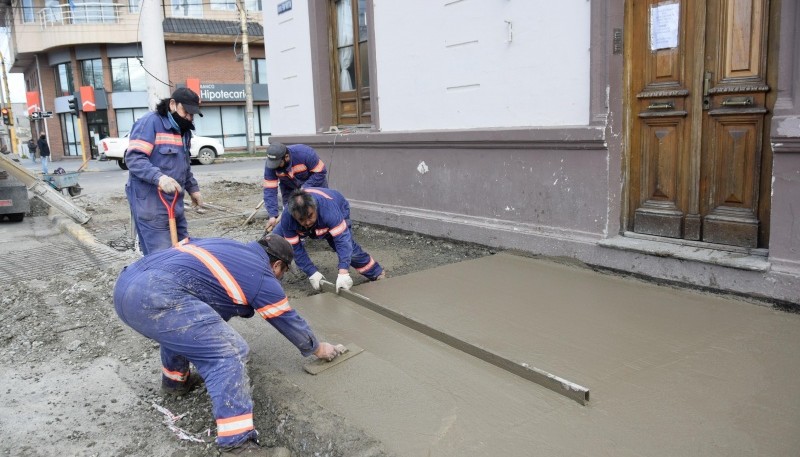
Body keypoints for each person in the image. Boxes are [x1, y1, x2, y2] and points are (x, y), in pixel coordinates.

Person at [113, 234, 346, 456]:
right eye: (283, 272)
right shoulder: (261, 275)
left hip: (127, 285)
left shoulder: (229, 248)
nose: (281, 277)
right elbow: (285, 318)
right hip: (156, 295)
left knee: (183, 327)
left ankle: (175, 382)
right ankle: (238, 445)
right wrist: (318, 348)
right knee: (229, 352)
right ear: (276, 265)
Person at [125, 87, 205, 255]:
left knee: (184, 251)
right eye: (187, 112)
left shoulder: (184, 132)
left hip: (175, 204)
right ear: (173, 104)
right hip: (151, 206)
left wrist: (193, 188)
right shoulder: (150, 123)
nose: (189, 118)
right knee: (162, 257)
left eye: (192, 114)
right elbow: (134, 159)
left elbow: (184, 165)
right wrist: (159, 178)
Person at [274, 188, 385, 292]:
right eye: (302, 219)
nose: (307, 222)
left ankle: (376, 273)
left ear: (315, 208)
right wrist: (311, 272)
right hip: (302, 221)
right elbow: (295, 249)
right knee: (274, 243)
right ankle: (272, 279)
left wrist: (343, 271)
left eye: (310, 216)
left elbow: (343, 241)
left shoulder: (329, 210)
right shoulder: (287, 218)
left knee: (348, 250)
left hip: (338, 206)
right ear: (294, 216)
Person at [263, 142, 328, 232]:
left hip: (315, 184)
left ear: (286, 157)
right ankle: (299, 234)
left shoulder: (305, 154)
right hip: (289, 188)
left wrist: (304, 188)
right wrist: (273, 215)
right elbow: (269, 190)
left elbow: (321, 172)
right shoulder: (271, 165)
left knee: (320, 210)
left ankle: (323, 231)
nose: (275, 166)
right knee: (292, 213)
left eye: (278, 163)